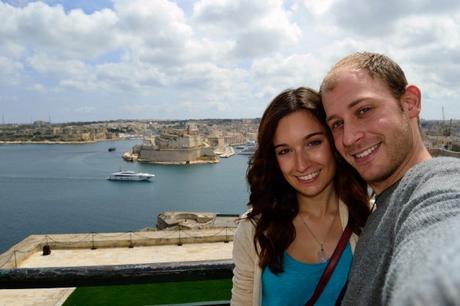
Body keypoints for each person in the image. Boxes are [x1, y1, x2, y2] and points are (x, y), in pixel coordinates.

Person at [320, 52, 460, 305]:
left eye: (363, 110)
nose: (349, 138)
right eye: (337, 124)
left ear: (409, 103)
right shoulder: (387, 203)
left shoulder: (440, 184)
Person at [231, 87, 370, 306]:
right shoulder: (254, 230)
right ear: (274, 159)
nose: (302, 164)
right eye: (285, 151)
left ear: (334, 142)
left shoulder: (367, 219)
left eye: (313, 142)